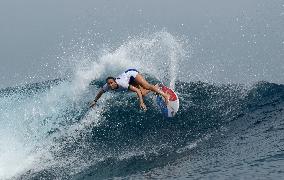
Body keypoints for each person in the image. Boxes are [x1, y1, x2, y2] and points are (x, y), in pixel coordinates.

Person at [89, 69, 169, 111]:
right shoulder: (107, 86)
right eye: (109, 84)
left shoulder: (122, 84)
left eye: (112, 83)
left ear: (115, 82)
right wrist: (95, 101)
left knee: (146, 86)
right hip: (128, 80)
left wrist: (141, 103)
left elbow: (137, 91)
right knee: (143, 94)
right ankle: (156, 87)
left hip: (132, 74)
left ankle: (165, 95)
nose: (110, 85)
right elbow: (100, 92)